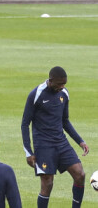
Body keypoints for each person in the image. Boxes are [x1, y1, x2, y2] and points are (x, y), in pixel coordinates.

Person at [21, 66, 89, 208]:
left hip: (61, 143)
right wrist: (29, 152)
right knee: (47, 183)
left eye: (64, 84)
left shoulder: (64, 93)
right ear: (51, 81)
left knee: (80, 174)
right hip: (43, 146)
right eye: (59, 84)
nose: (62, 86)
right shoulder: (36, 94)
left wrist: (80, 141)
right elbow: (25, 124)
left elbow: (65, 121)